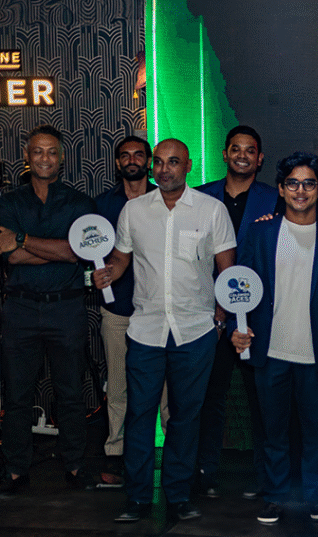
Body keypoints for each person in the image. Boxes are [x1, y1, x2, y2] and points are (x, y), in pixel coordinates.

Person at [93, 138, 235, 523]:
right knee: (139, 416)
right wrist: (108, 273)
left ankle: (178, 495)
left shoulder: (212, 210)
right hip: (146, 331)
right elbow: (121, 258)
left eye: (173, 162)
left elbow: (227, 271)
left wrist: (220, 320)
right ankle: (138, 498)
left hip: (196, 331)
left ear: (188, 166)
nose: (164, 169)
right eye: (159, 162)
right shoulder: (134, 211)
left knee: (186, 417)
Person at [230, 152, 318, 524]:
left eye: (309, 183)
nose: (301, 191)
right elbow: (240, 287)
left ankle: (314, 497)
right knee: (273, 433)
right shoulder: (261, 232)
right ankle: (275, 497)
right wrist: (238, 328)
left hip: (316, 356)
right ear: (281, 189)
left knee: (316, 434)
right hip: (270, 352)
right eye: (293, 183)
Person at [0, 125, 97, 495]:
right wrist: (56, 249)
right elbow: (9, 255)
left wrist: (23, 239)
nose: (45, 158)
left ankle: (75, 466)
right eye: (38, 151)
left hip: (66, 309)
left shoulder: (80, 204)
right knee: (17, 395)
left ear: (62, 158)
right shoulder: (8, 202)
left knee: (70, 393)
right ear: (27, 157)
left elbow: (77, 252)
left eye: (52, 152)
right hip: (20, 308)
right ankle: (15, 470)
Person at [195, 125, 279, 499]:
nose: (242, 155)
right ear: (225, 154)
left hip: (255, 315)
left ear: (259, 159)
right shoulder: (199, 197)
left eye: (250, 150)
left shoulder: (274, 199)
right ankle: (204, 473)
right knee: (207, 398)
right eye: (236, 148)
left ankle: (265, 477)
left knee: (261, 400)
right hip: (207, 315)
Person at [93, 135, 164, 487]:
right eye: (125, 155)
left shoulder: (165, 200)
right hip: (118, 309)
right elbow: (90, 252)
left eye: (139, 155)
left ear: (148, 161)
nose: (132, 160)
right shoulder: (103, 205)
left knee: (167, 389)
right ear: (118, 162)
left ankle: (173, 454)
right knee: (119, 386)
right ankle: (116, 452)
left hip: (159, 310)